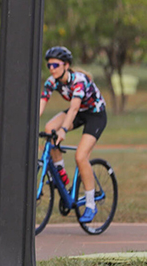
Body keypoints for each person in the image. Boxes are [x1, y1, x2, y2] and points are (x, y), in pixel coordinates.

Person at [38, 46, 107, 224]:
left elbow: (74, 108)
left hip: (95, 114)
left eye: (55, 65)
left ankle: (91, 204)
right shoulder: (52, 81)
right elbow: (41, 103)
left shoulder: (79, 80)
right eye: (49, 65)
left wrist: (64, 130)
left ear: (66, 65)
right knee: (48, 128)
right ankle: (60, 173)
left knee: (80, 156)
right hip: (78, 112)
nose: (52, 68)